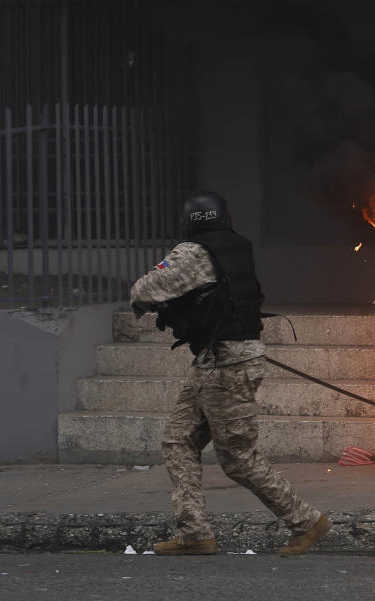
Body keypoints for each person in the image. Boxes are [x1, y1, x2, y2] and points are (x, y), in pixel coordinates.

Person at [129, 190, 331, 556]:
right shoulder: (237, 248)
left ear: (190, 221)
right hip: (219, 360)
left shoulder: (191, 253)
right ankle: (194, 533)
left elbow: (145, 289)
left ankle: (306, 521)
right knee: (178, 441)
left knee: (238, 458)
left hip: (226, 364)